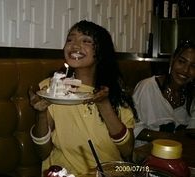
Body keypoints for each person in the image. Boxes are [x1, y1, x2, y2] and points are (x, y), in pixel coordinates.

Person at [28, 20, 137, 175]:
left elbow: (127, 150)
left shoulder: (113, 92)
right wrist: (40, 113)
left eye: (86, 41)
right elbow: (42, 153)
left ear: (100, 52)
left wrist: (104, 104)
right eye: (70, 39)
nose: (75, 45)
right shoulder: (51, 89)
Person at [133, 40, 195, 147]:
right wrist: (169, 137)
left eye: (193, 66)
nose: (186, 70)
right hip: (144, 157)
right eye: (181, 61)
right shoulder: (147, 87)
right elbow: (132, 129)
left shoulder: (191, 97)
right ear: (172, 61)